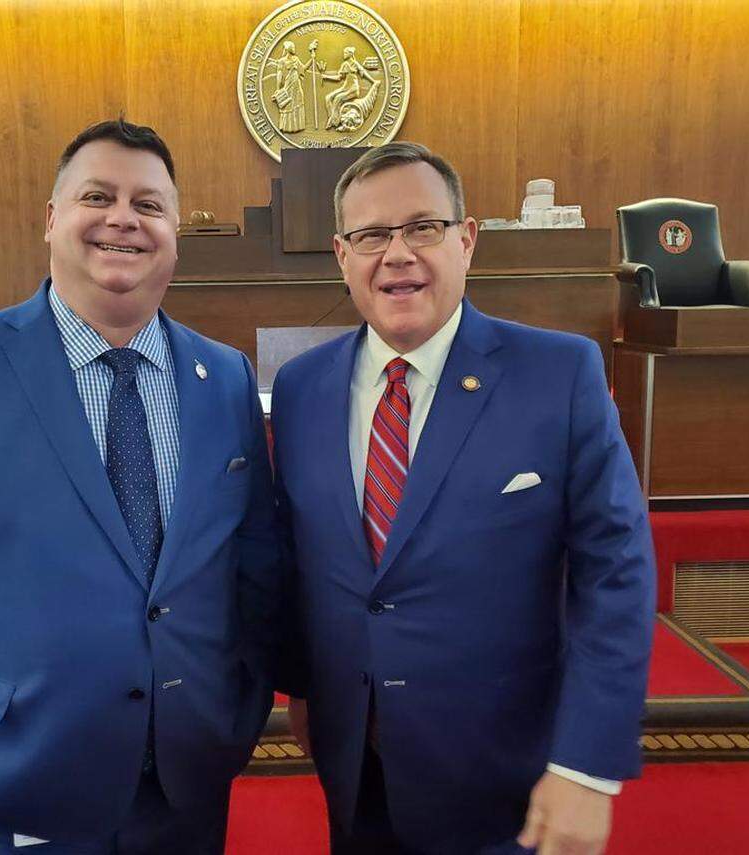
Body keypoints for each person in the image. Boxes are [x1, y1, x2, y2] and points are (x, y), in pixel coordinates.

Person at [0, 119, 280, 854]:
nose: (123, 219)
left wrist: (243, 699)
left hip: (188, 775)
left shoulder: (224, 375)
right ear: (51, 220)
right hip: (14, 771)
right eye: (97, 196)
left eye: (149, 204)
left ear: (173, 231)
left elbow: (255, 558)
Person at [271, 142, 655, 854]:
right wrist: (304, 687)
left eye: (423, 227)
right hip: (357, 764)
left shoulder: (558, 374)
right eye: (371, 235)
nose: (397, 254)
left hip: (506, 778)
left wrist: (587, 763)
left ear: (466, 239)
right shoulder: (300, 389)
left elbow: (618, 572)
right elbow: (304, 555)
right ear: (340, 254)